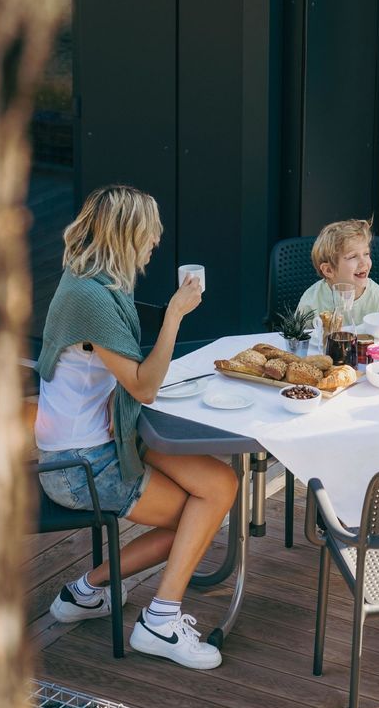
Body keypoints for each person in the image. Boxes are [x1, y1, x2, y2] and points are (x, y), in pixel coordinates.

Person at [35, 184, 237, 669]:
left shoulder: (91, 282)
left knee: (220, 484)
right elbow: (144, 388)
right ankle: (160, 622)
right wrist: (174, 315)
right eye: (150, 232)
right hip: (80, 463)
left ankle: (87, 591)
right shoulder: (92, 299)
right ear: (126, 234)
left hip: (106, 438)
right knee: (198, 514)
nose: (156, 240)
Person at [295, 219, 379, 328]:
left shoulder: (378, 298)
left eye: (366, 253)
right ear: (328, 270)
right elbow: (297, 340)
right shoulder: (311, 301)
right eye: (353, 256)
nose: (364, 262)